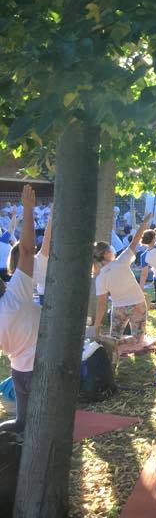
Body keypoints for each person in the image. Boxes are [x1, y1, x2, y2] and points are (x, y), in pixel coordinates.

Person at [0, 186, 40, 434]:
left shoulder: (15, 294)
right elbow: (26, 250)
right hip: (40, 371)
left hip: (20, 372)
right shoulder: (15, 293)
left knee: (22, 423)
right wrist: (28, 209)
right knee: (37, 426)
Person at [94, 215, 152, 341]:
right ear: (106, 253)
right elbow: (135, 240)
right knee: (139, 341)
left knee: (114, 340)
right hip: (138, 303)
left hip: (119, 307)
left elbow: (102, 305)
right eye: (110, 248)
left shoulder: (100, 278)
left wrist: (96, 328)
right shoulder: (122, 260)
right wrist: (144, 223)